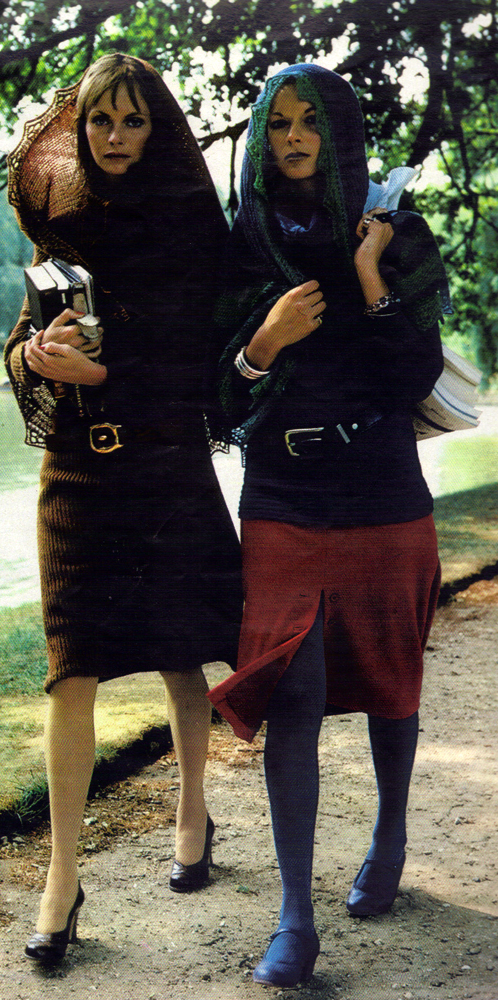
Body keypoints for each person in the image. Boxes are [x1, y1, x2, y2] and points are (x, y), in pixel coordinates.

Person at [206, 63, 450, 988]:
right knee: (293, 692)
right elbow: (217, 401)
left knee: (391, 677)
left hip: (382, 493)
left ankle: (388, 838)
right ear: (260, 139)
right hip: (282, 498)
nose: (293, 137)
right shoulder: (241, 245)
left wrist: (367, 275)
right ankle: (294, 920)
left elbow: (412, 374)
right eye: (277, 124)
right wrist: (263, 343)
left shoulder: (394, 233)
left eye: (309, 121)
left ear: (337, 131)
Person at [3, 53, 242, 965]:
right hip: (74, 475)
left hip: (166, 468)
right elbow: (21, 337)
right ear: (79, 125)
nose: (113, 136)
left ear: (156, 129)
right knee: (71, 672)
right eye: (99, 119)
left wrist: (105, 371)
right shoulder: (60, 220)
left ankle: (193, 814)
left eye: (132, 120)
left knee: (182, 656)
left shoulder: (190, 225)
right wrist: (34, 358)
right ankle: (61, 879)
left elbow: (196, 359)